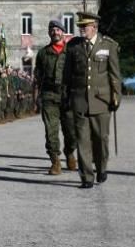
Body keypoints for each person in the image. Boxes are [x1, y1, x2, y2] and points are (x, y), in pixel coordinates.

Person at [63, 11, 121, 189]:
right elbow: (67, 74)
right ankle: (86, 177)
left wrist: (116, 97)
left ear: (94, 27)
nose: (81, 29)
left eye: (84, 26)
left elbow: (114, 74)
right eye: (80, 26)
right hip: (80, 100)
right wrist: (66, 97)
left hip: (101, 100)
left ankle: (101, 167)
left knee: (101, 139)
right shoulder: (74, 46)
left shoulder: (108, 45)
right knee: (82, 141)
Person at [33, 20, 76, 175]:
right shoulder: (43, 53)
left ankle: (70, 152)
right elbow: (37, 77)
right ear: (49, 33)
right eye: (52, 30)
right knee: (51, 131)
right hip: (49, 96)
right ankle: (55, 161)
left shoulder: (71, 51)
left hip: (68, 96)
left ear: (63, 32)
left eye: (58, 30)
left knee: (71, 132)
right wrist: (36, 98)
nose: (55, 32)